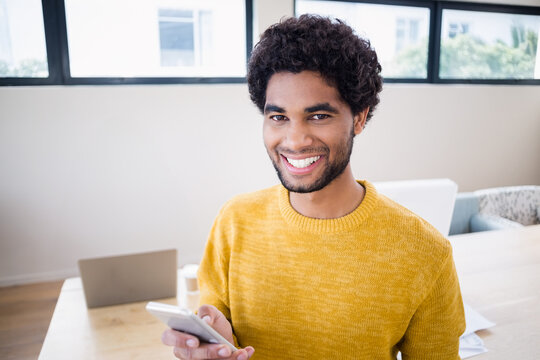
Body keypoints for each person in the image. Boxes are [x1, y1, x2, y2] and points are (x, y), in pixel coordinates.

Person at [161, 14, 465, 360]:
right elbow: (217, 331)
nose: (295, 140)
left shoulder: (426, 252)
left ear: (360, 117)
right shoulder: (234, 222)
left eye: (319, 116)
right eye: (278, 117)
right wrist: (215, 344)